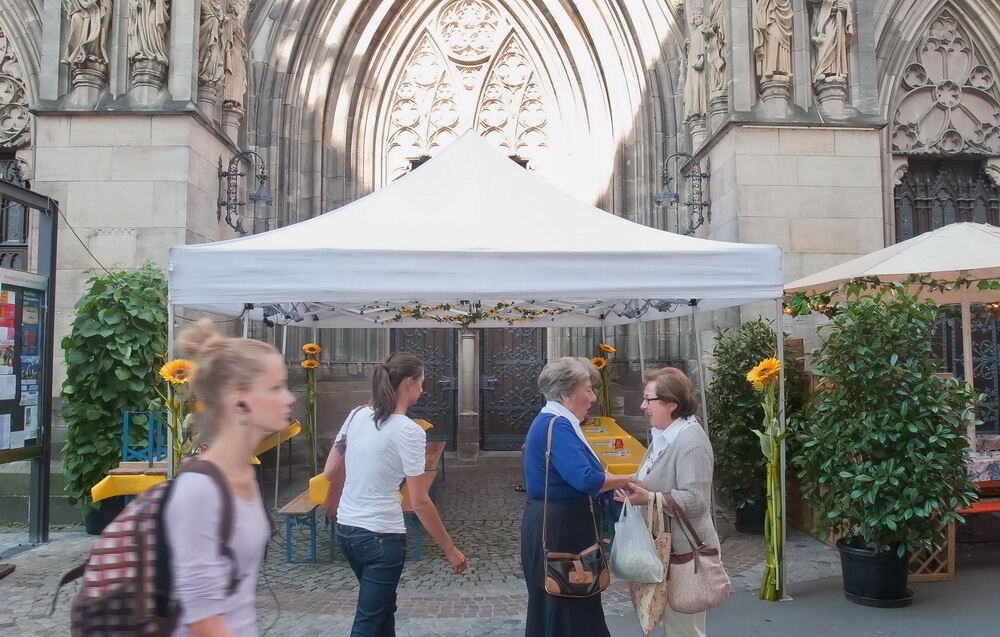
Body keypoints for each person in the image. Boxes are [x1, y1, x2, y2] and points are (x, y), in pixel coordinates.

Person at [165, 319, 295, 636]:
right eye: (276, 387)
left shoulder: (242, 474)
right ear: (239, 400)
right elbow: (202, 620)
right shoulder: (200, 489)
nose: (289, 398)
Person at [324, 352, 467, 637]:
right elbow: (419, 501)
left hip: (347, 530)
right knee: (367, 623)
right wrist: (450, 550)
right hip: (380, 536)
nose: (423, 390)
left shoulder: (356, 414)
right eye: (422, 383)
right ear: (408, 383)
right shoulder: (408, 431)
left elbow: (329, 470)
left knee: (381, 614)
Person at [520, 356, 634, 637]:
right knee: (568, 607)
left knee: (565, 608)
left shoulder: (556, 422)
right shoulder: (556, 424)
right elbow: (586, 478)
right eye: (587, 389)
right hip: (561, 529)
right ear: (566, 394)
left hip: (560, 524)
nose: (593, 398)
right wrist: (628, 479)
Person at [615, 367, 720, 637]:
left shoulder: (691, 441)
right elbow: (656, 478)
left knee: (684, 630)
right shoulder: (664, 435)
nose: (642, 406)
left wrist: (648, 497)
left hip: (684, 551)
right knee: (671, 627)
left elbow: (696, 501)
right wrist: (632, 488)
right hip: (664, 548)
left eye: (648, 399)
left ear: (671, 404)